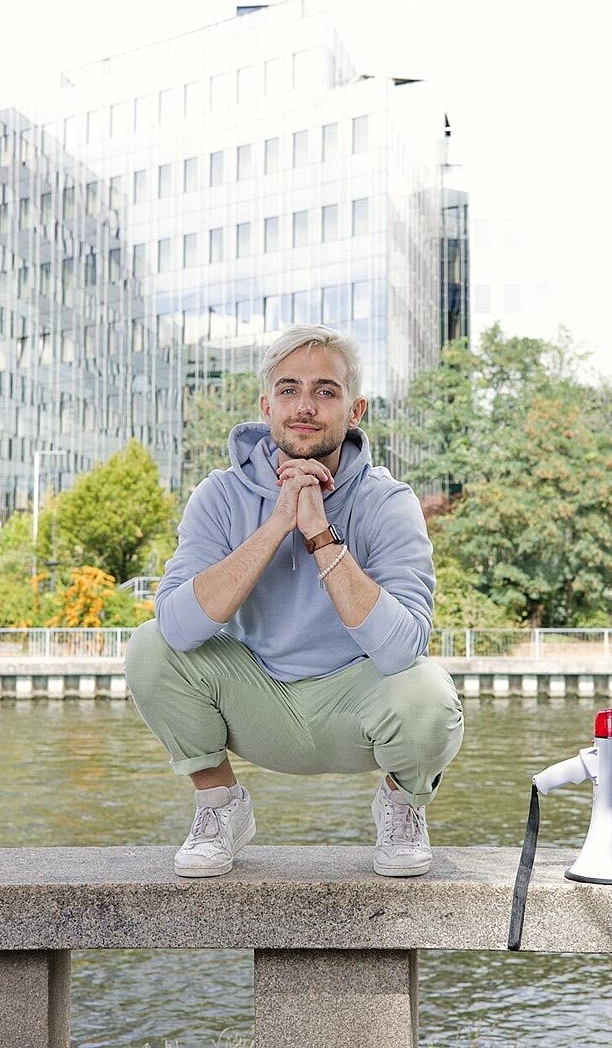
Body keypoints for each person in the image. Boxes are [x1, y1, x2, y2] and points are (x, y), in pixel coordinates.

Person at [125, 324, 464, 878]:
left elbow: (404, 649)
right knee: (149, 647)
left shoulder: (389, 502)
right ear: (267, 405)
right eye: (289, 390)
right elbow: (179, 629)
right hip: (255, 701)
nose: (304, 406)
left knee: (429, 695)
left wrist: (319, 534)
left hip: (356, 705)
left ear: (355, 410)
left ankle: (402, 807)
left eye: (325, 391)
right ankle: (220, 810)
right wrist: (278, 522)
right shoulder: (218, 495)